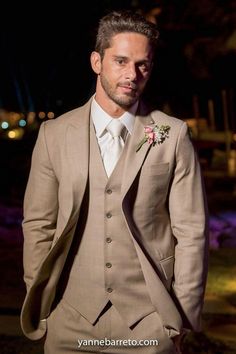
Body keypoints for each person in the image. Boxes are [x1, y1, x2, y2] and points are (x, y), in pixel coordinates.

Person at [20, 10, 208, 354]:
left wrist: (181, 316)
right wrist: (43, 305)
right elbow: (38, 225)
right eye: (120, 61)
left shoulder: (172, 134)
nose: (132, 75)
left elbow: (192, 232)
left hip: (150, 323)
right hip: (70, 320)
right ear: (96, 61)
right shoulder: (54, 134)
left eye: (142, 65)